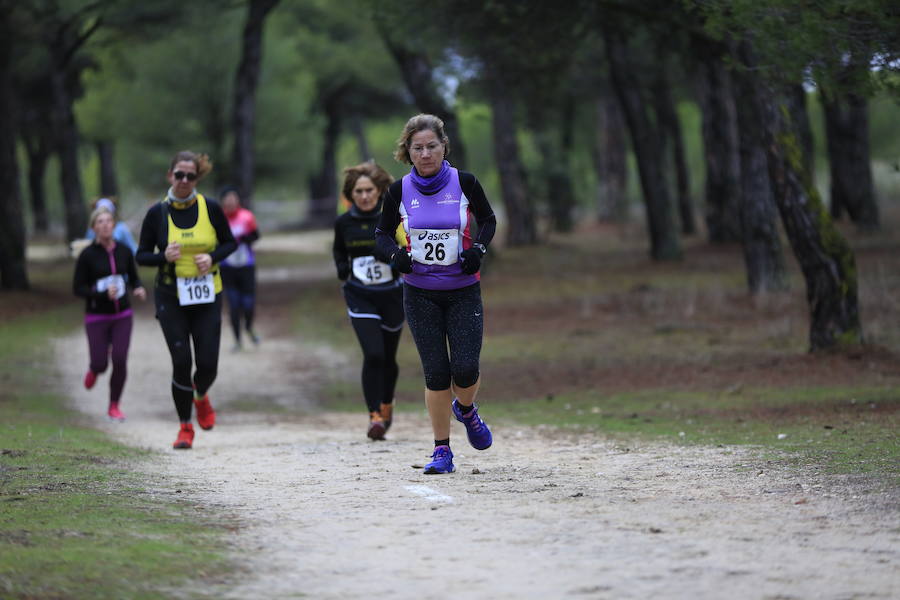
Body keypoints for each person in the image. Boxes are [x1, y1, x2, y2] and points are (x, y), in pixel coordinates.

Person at [375, 114, 497, 474]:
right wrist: (396, 256)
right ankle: (442, 451)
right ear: (407, 152)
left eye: (432, 146)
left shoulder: (465, 182)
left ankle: (467, 410)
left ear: (444, 147)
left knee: (466, 366)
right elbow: (381, 235)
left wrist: (480, 249)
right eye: (417, 148)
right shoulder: (398, 191)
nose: (425, 153)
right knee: (436, 374)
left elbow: (488, 220)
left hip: (463, 291)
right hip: (420, 294)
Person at [135, 151, 236, 449]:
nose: (183, 180)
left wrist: (213, 257)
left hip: (207, 294)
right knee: (181, 361)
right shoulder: (157, 213)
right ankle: (184, 427)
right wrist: (162, 256)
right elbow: (141, 255)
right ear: (170, 175)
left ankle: (201, 395)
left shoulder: (211, 208)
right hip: (171, 295)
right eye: (179, 174)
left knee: (208, 365)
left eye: (190, 176)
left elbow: (231, 242)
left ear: (196, 179)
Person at [333, 162, 404, 440]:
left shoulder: (392, 218)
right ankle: (374, 415)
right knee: (373, 354)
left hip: (391, 295)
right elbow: (339, 250)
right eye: (359, 191)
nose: (364, 196)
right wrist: (341, 267)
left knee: (388, 357)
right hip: (359, 293)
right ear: (351, 194)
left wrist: (391, 256)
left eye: (369, 190)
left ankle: (387, 404)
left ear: (379, 191)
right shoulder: (343, 223)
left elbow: (404, 249)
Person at [73, 206, 147, 421]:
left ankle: (114, 405)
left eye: (108, 221)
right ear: (94, 227)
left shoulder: (123, 250)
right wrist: (100, 292)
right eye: (100, 222)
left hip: (122, 315)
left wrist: (138, 288)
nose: (105, 225)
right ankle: (94, 369)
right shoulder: (87, 256)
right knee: (101, 363)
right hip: (97, 317)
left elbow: (133, 277)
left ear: (114, 225)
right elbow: (78, 288)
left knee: (120, 359)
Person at [218, 186, 261, 351]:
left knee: (248, 303)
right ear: (222, 201)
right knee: (234, 305)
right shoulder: (219, 218)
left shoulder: (246, 216)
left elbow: (256, 235)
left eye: (233, 197)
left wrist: (242, 238)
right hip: (227, 268)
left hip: (246, 266)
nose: (230, 201)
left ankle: (249, 327)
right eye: (227, 198)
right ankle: (237, 340)